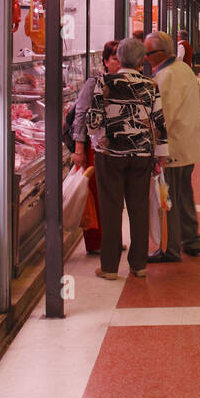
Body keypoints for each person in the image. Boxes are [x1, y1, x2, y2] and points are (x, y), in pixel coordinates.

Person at [83, 37, 168, 280]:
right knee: (139, 207)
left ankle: (109, 267)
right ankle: (139, 264)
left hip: (110, 155)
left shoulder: (103, 82)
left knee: (110, 209)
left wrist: (95, 131)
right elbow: (160, 123)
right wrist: (160, 155)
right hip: (142, 154)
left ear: (119, 58)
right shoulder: (150, 85)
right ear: (142, 60)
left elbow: (93, 122)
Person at [146, 31, 200, 262]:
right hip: (187, 145)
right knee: (183, 195)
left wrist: (155, 149)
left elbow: (163, 117)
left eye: (148, 53)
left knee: (167, 199)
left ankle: (169, 250)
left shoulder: (167, 75)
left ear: (159, 53)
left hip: (172, 149)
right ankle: (191, 240)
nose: (146, 58)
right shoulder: (183, 70)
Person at [70, 39, 121, 255]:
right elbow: (80, 116)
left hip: (119, 150)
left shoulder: (129, 82)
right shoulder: (94, 83)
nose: (118, 63)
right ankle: (96, 242)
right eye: (114, 59)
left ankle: (112, 240)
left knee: (114, 198)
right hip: (95, 149)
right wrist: (79, 149)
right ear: (105, 61)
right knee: (96, 196)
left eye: (122, 58)